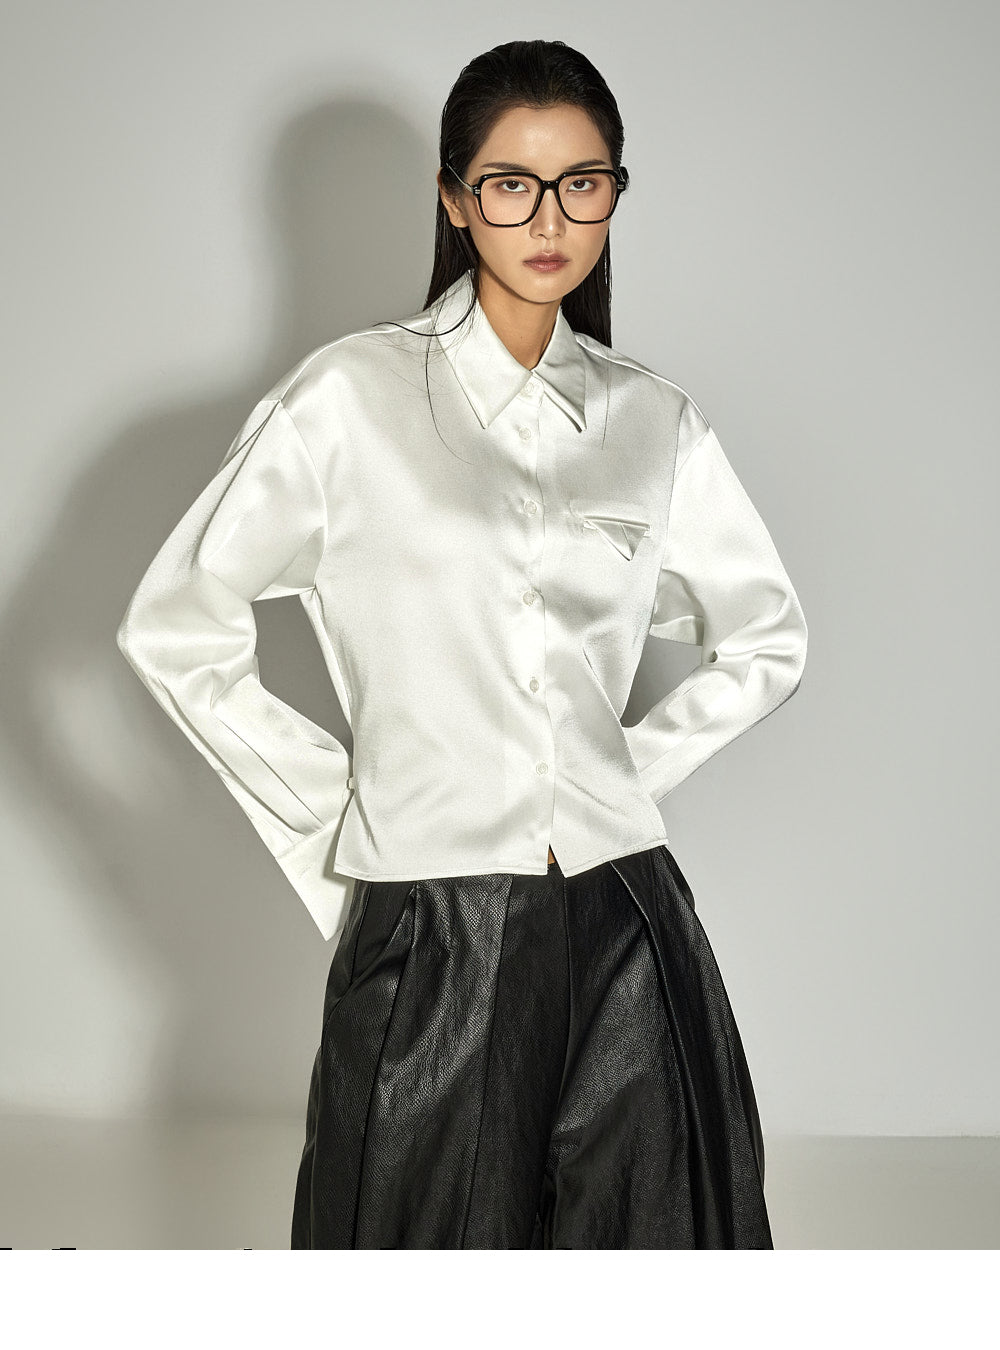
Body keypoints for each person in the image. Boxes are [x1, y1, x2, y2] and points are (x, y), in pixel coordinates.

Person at [116, 38, 808, 1249]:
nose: (548, 219)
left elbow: (766, 637)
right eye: (510, 184)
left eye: (581, 183)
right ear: (453, 198)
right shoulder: (349, 400)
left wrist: (607, 781)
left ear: (612, 193)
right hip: (431, 928)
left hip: (628, 931)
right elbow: (175, 625)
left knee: (656, 1271)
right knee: (416, 1270)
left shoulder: (651, 421)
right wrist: (345, 818)